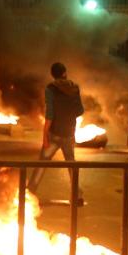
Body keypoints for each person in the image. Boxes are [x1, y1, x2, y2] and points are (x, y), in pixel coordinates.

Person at [27, 62, 85, 204]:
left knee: (42, 164)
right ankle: (77, 196)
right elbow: (80, 111)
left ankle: (29, 194)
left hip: (54, 134)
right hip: (70, 133)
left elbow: (50, 114)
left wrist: (45, 135)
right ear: (65, 73)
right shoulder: (74, 88)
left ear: (53, 75)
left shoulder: (50, 89)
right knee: (71, 164)